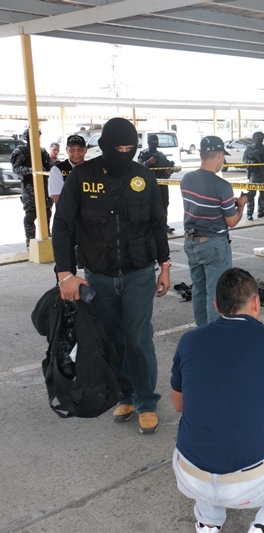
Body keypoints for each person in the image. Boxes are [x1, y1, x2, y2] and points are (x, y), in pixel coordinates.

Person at [171, 267, 264, 533]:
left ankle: (208, 521)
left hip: (189, 478)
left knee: (201, 434)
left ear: (216, 305)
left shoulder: (189, 340)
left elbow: (179, 404)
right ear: (255, 302)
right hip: (249, 486)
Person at [52, 117, 171, 435]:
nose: (124, 153)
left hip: (139, 274)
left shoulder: (143, 177)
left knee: (138, 339)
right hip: (99, 276)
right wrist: (65, 273)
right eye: (118, 148)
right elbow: (62, 226)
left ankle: (146, 401)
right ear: (104, 146)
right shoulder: (82, 177)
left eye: (130, 148)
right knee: (113, 341)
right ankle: (126, 395)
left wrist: (165, 266)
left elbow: (157, 224)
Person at [181, 136, 247, 327]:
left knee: (199, 290)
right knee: (216, 293)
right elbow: (232, 221)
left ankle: (202, 332)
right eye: (223, 157)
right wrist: (241, 205)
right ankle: (215, 337)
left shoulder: (187, 179)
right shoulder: (222, 186)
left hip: (191, 242)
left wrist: (225, 203)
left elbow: (201, 204)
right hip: (214, 245)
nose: (222, 161)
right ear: (219, 155)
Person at [11, 127, 53, 249]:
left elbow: (51, 165)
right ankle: (30, 242)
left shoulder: (42, 151)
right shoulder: (21, 151)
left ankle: (47, 237)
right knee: (31, 215)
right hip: (29, 188)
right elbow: (16, 169)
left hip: (44, 187)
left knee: (47, 213)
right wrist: (32, 170)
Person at [139, 133, 177, 232]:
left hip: (162, 183)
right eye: (153, 141)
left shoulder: (161, 155)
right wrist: (149, 162)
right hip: (148, 184)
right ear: (148, 142)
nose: (155, 143)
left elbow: (166, 170)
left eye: (156, 141)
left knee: (164, 203)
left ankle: (163, 225)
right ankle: (149, 225)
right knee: (149, 204)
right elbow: (139, 169)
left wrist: (168, 172)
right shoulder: (144, 154)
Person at [243, 131, 264, 220]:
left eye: (260, 138)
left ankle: (261, 212)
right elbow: (244, 160)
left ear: (263, 139)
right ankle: (249, 213)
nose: (259, 139)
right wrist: (251, 163)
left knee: (263, 195)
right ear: (253, 139)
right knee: (251, 194)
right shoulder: (249, 149)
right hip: (253, 175)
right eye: (257, 138)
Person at [49, 134, 87, 204]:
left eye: (80, 149)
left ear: (85, 150)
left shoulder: (92, 168)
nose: (76, 153)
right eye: (72, 150)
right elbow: (58, 199)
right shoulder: (57, 170)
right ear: (67, 150)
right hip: (68, 210)